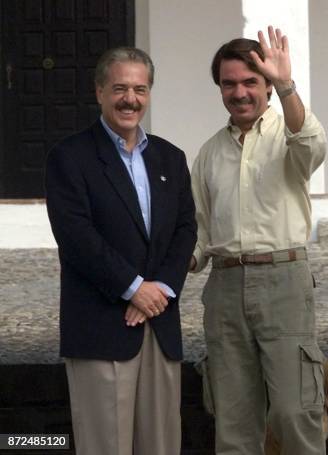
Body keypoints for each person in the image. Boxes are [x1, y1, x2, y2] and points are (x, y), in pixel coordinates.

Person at [45, 47, 196, 455]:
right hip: (101, 328)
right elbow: (76, 236)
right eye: (120, 88)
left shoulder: (171, 157)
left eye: (140, 89)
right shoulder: (69, 157)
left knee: (162, 446)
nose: (130, 98)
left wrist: (159, 289)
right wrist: (133, 288)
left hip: (159, 326)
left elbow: (186, 229)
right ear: (99, 92)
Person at [190, 27, 327, 454]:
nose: (240, 92)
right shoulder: (209, 153)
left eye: (251, 82)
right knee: (232, 422)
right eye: (229, 83)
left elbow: (312, 147)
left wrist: (288, 86)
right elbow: (198, 232)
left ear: (266, 84)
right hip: (225, 289)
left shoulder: (290, 130)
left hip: (283, 282)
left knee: (294, 411)